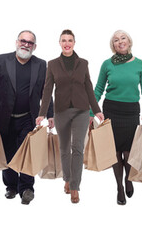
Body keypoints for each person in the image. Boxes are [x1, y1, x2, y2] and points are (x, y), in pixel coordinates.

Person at [0, 30, 53, 205]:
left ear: (34, 46)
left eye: (30, 43)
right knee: (8, 154)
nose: (26, 44)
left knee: (27, 152)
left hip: (28, 118)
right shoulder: (2, 60)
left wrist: (50, 114)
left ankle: (27, 188)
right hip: (4, 117)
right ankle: (11, 187)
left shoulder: (41, 64)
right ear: (16, 42)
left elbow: (46, 92)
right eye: (23, 41)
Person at [36, 29, 103, 204]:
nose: (67, 43)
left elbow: (88, 86)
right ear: (60, 43)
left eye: (70, 40)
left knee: (78, 148)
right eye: (64, 40)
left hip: (81, 110)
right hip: (61, 111)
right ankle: (66, 178)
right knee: (64, 149)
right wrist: (42, 113)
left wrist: (96, 110)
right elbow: (47, 90)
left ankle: (75, 187)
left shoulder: (83, 63)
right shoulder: (53, 64)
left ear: (74, 43)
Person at [94, 30, 142, 205]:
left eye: (123, 38)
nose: (120, 42)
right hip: (111, 110)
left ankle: (128, 179)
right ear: (113, 45)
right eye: (116, 40)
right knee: (115, 152)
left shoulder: (140, 64)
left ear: (129, 41)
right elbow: (98, 89)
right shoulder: (107, 64)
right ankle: (119, 186)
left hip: (130, 111)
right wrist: (91, 112)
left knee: (129, 150)